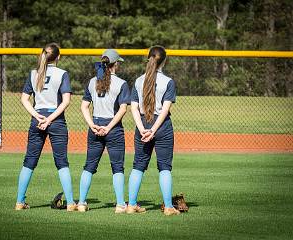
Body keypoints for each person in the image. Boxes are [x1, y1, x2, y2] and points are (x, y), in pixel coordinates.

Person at [15, 42, 76, 211]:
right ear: (58, 57)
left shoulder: (34, 73)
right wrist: (49, 120)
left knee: (29, 161)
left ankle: (20, 202)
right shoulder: (62, 73)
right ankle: (70, 203)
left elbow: (24, 99)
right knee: (62, 162)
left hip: (37, 119)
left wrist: (36, 116)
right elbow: (66, 101)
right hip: (55, 120)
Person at [127, 45, 180, 216]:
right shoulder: (168, 82)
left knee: (138, 166)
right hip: (161, 126)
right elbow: (164, 110)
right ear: (164, 61)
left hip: (142, 124)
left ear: (148, 59)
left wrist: (143, 129)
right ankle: (168, 207)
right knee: (164, 167)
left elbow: (134, 108)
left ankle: (131, 205)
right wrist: (154, 130)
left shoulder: (138, 80)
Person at [78, 49, 130, 213]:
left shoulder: (92, 81)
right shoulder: (121, 83)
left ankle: (81, 203)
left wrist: (92, 124)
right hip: (113, 128)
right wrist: (108, 127)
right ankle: (120, 204)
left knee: (89, 166)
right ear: (115, 65)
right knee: (117, 167)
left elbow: (84, 106)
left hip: (95, 126)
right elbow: (122, 110)